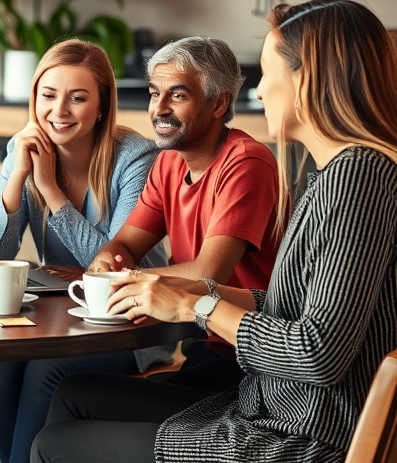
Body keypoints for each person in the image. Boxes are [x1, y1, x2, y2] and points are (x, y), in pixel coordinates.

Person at [30, 0, 397, 463]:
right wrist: (189, 290)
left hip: (299, 453)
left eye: (268, 73)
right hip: (276, 415)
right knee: (76, 395)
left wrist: (196, 307)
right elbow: (291, 305)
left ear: (309, 80)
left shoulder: (358, 178)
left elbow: (318, 353)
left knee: (54, 449)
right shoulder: (340, 173)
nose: (257, 91)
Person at [0, 40, 165, 463]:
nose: (59, 112)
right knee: (1, 367)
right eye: (48, 95)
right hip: (64, 319)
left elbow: (113, 263)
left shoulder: (135, 157)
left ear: (103, 103)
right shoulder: (24, 151)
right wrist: (17, 181)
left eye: (78, 98)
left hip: (132, 321)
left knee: (45, 372)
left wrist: (54, 194)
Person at [90, 36, 282, 390]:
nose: (159, 108)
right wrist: (107, 263)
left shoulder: (246, 161)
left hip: (248, 360)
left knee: (69, 388)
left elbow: (209, 275)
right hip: (201, 344)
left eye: (177, 96)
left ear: (219, 103)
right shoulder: (169, 161)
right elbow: (123, 246)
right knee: (62, 382)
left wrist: (124, 280)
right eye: (154, 94)